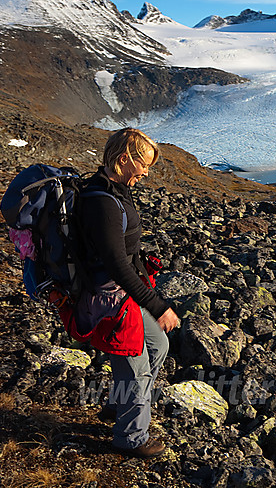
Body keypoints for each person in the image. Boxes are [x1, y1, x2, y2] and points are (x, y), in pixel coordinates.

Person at [75, 127, 180, 458]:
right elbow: (116, 265)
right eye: (143, 165)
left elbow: (125, 252)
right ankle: (131, 439)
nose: (146, 173)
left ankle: (119, 406)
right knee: (135, 367)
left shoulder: (116, 189)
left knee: (158, 344)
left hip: (123, 293)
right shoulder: (102, 203)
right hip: (108, 298)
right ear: (124, 159)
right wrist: (157, 305)